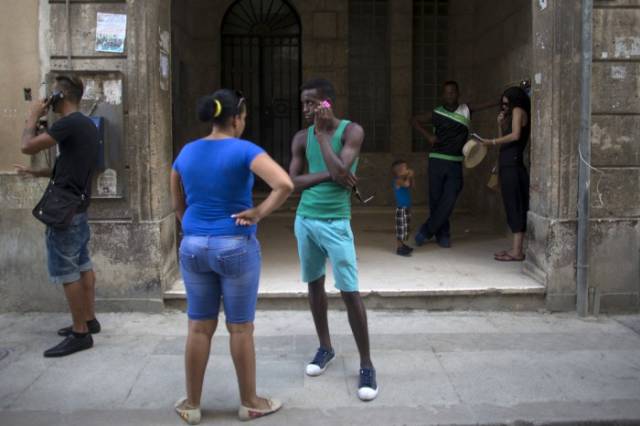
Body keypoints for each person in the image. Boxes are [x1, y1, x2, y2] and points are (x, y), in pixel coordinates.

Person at [170, 89, 293, 424]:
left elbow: (177, 203)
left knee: (198, 326)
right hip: (236, 246)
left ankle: (192, 405)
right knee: (240, 328)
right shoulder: (245, 150)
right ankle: (250, 402)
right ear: (237, 118)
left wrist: (196, 229)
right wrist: (258, 212)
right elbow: (283, 184)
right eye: (244, 117)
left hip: (194, 245)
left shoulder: (186, 152)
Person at [289, 78, 378, 401]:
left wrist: (325, 137)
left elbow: (344, 172)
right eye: (304, 104)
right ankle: (325, 347)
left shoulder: (352, 131)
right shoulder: (301, 137)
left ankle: (366, 364)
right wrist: (331, 174)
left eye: (312, 103)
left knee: (349, 290)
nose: (306, 109)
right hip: (305, 220)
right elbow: (293, 182)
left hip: (336, 222)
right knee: (314, 284)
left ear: (327, 103)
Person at [16, 75, 100, 358]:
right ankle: (89, 319)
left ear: (57, 97)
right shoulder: (86, 124)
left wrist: (31, 116)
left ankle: (80, 333)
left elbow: (27, 146)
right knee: (83, 262)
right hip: (78, 207)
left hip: (64, 210)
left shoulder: (68, 123)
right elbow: (70, 165)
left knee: (68, 271)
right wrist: (37, 172)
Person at [410, 81, 497, 248]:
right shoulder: (436, 113)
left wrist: (503, 99)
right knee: (436, 200)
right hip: (437, 160)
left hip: (455, 163)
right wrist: (428, 136)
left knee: (449, 199)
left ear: (458, 94)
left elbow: (487, 104)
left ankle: (427, 231)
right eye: (447, 93)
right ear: (443, 95)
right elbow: (414, 120)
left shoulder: (466, 110)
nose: (450, 95)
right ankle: (443, 235)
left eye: (453, 92)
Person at [483, 87, 531, 261]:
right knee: (511, 205)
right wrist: (500, 125)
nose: (504, 107)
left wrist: (492, 142)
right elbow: (505, 140)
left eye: (506, 103)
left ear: (514, 101)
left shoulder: (518, 110)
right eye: (502, 104)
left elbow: (516, 135)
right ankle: (515, 248)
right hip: (507, 163)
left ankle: (517, 252)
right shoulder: (511, 113)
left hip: (513, 165)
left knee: (516, 205)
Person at [391, 160, 414, 257]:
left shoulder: (404, 179)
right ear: (399, 171)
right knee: (400, 229)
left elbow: (411, 185)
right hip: (401, 209)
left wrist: (409, 176)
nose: (407, 169)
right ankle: (399, 248)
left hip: (406, 208)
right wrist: (409, 175)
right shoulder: (397, 180)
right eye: (405, 168)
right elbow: (407, 184)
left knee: (405, 228)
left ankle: (403, 245)